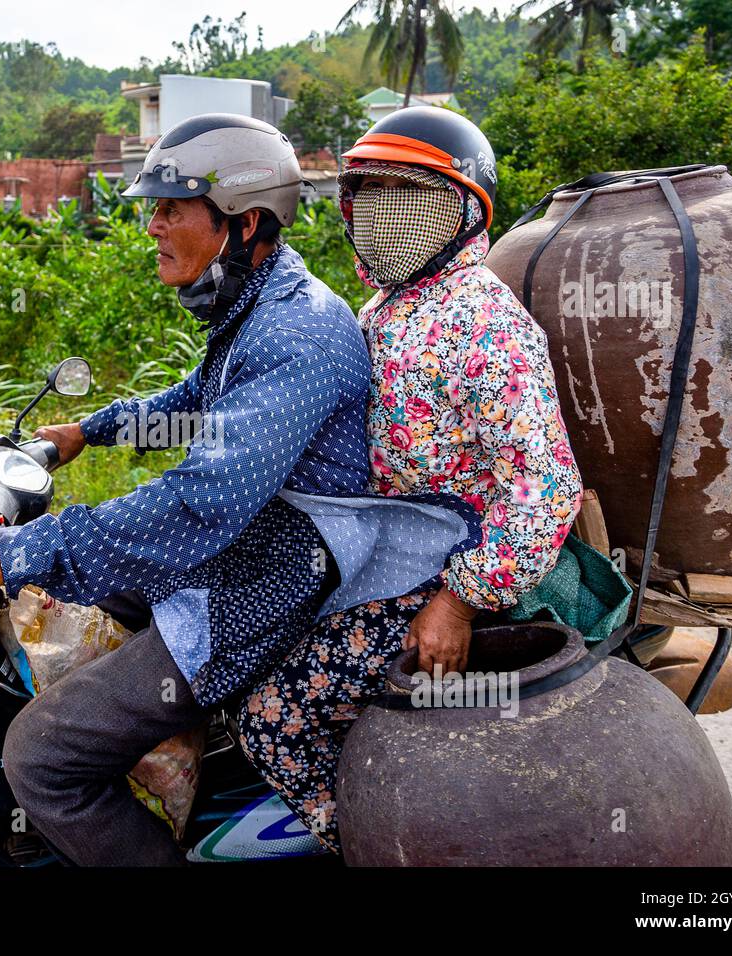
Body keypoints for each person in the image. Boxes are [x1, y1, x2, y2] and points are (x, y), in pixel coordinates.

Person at [0, 114, 388, 866]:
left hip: (269, 584)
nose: (153, 227)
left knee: (40, 757)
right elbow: (195, 402)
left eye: (171, 209)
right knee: (69, 604)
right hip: (246, 550)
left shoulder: (295, 334)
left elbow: (201, 502)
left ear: (245, 220)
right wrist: (88, 432)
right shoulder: (258, 303)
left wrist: (20, 548)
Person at [235, 106, 585, 854]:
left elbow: (544, 487)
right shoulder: (390, 306)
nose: (383, 210)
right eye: (370, 190)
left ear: (464, 210)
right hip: (376, 558)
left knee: (270, 719)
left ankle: (364, 845)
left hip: (438, 576)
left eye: (410, 191)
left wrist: (459, 602)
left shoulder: (489, 325)